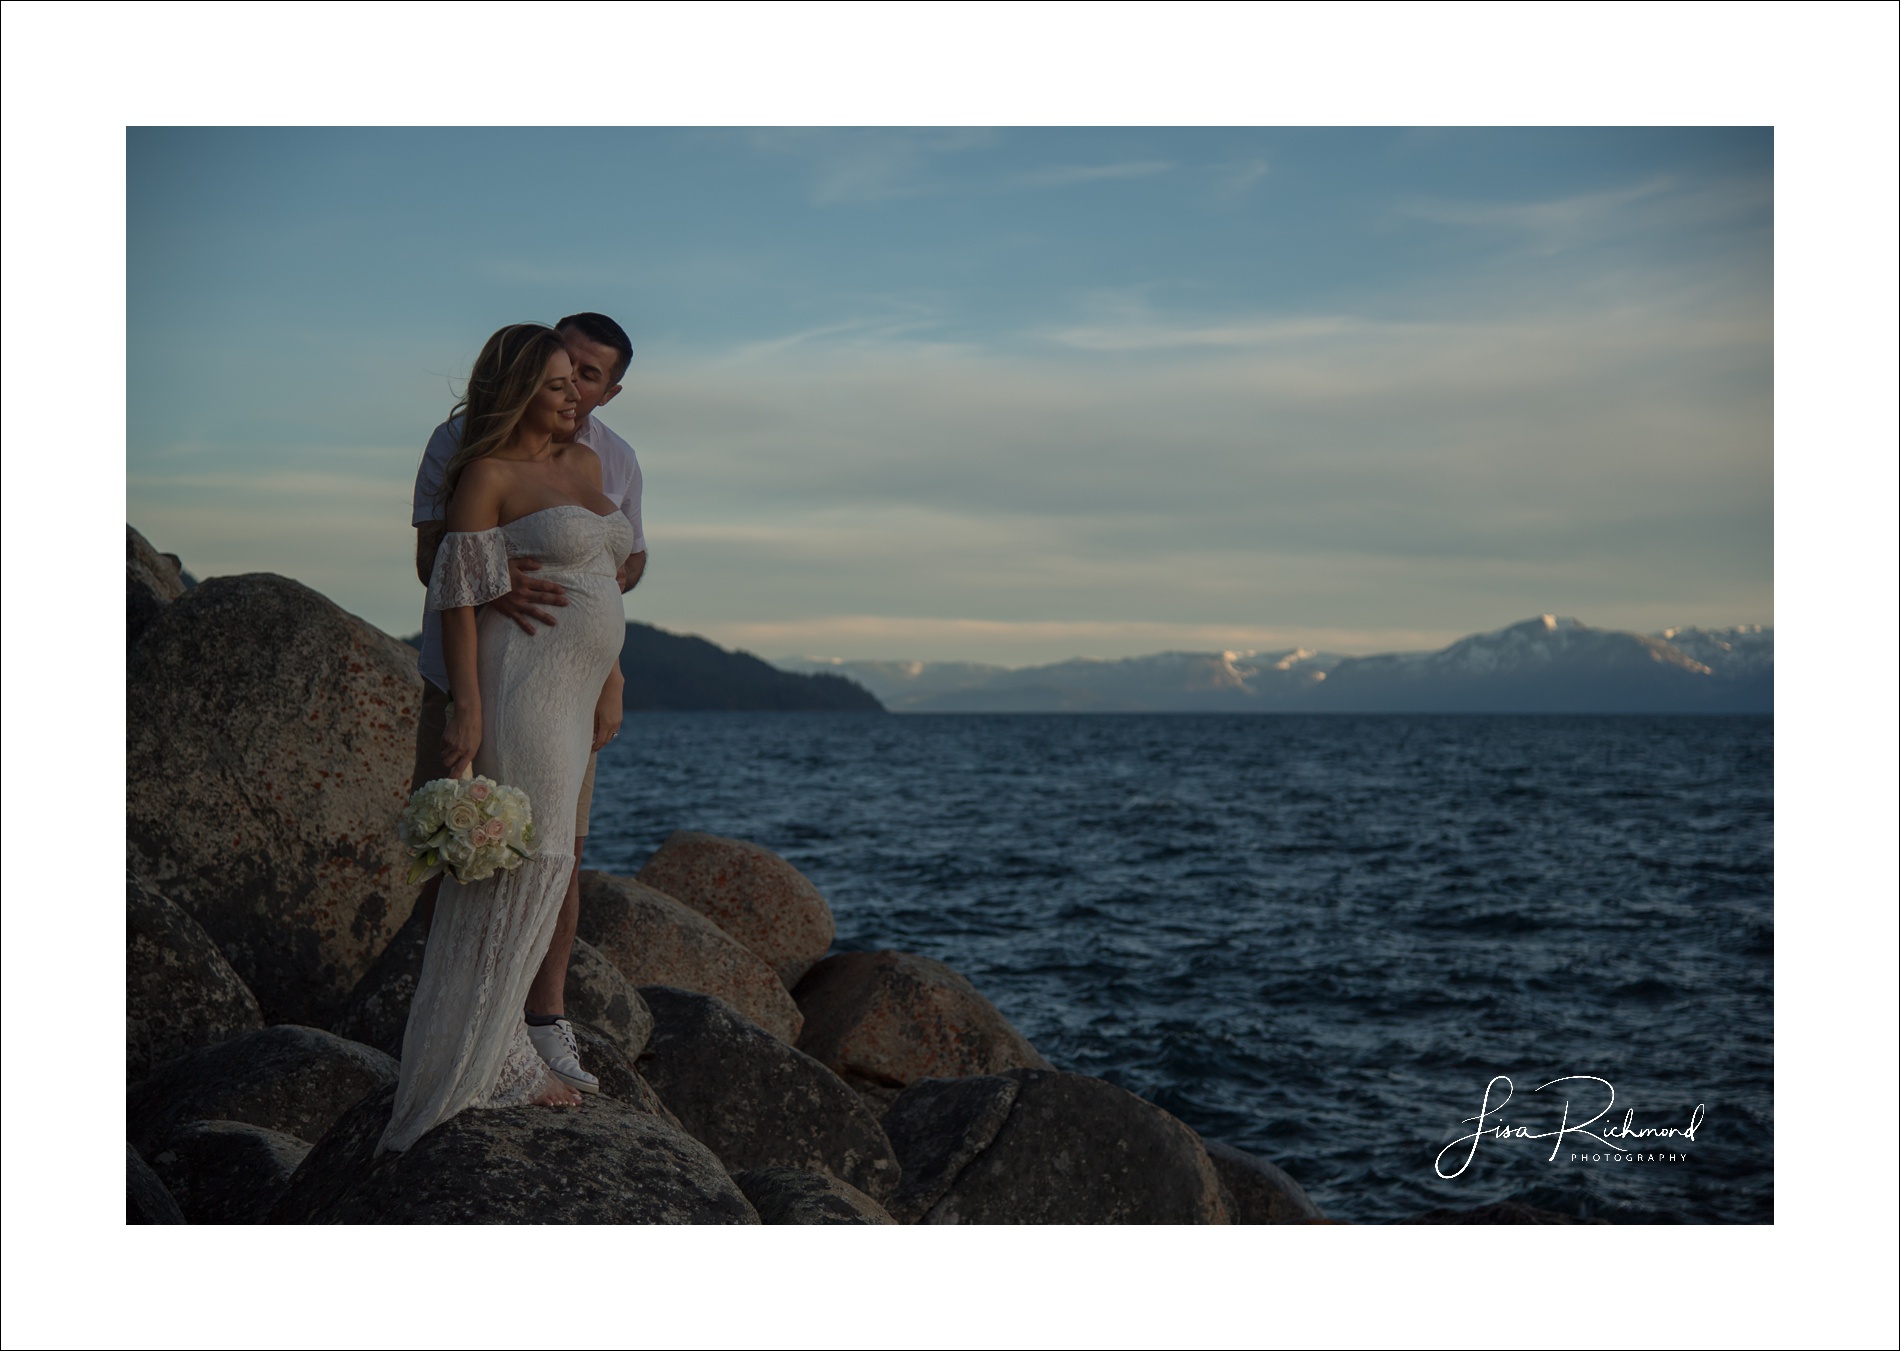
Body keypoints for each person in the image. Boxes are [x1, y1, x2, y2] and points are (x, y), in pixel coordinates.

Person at [383, 323, 638, 1151]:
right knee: (520, 856)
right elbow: (453, 590)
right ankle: (485, 1055)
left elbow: (612, 571)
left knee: (553, 853)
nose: (575, 400)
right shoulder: (482, 470)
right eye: (561, 384)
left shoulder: (598, 462)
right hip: (518, 678)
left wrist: (611, 672)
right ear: (520, 386)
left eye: (582, 383)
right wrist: (467, 706)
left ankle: (520, 1035)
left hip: (577, 686)